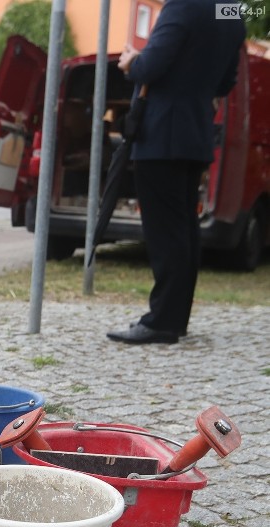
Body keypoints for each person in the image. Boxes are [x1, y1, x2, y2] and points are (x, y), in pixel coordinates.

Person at [106, 0, 245, 345]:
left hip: (162, 136)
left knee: (166, 231)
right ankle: (175, 318)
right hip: (195, 133)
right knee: (185, 229)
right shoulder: (232, 12)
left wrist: (131, 61)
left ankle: (161, 322)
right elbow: (226, 81)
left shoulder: (182, 6)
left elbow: (151, 66)